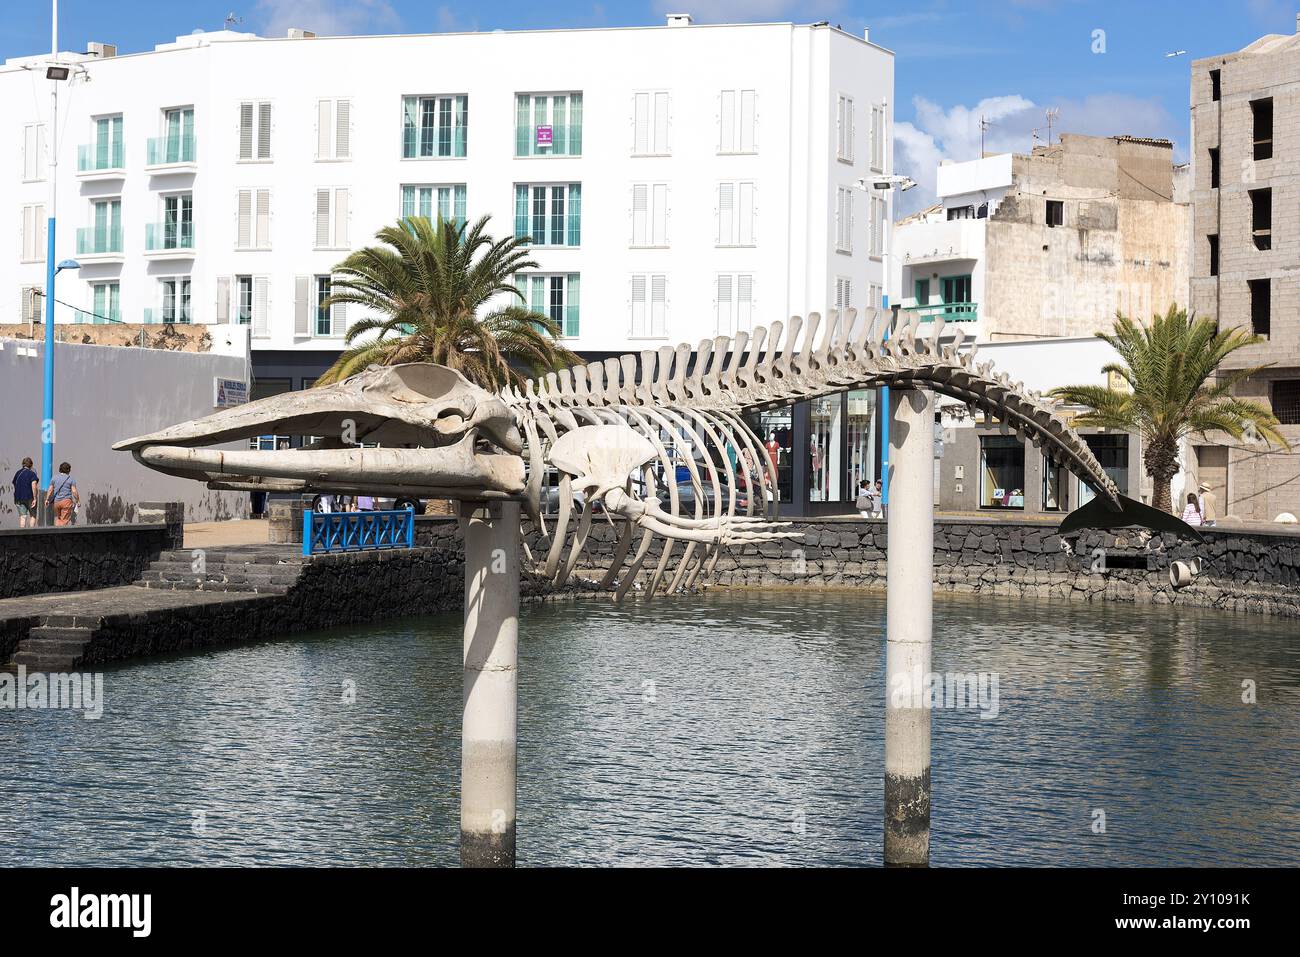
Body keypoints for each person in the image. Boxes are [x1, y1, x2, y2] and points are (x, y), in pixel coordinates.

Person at [45, 462, 79, 527]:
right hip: (66, 502)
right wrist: (78, 501)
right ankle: (62, 535)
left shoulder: (54, 478)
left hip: (56, 502)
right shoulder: (70, 479)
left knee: (57, 519)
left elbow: (50, 490)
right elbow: (74, 491)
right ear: (68, 470)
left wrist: (47, 499)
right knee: (64, 520)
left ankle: (56, 534)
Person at [11, 456, 39, 528]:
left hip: (18, 498)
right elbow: (34, 485)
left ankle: (22, 535)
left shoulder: (18, 473)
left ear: (23, 464)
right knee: (33, 515)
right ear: (31, 465)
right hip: (30, 497)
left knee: (23, 516)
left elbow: (14, 483)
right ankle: (30, 534)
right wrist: (35, 498)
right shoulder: (32, 474)